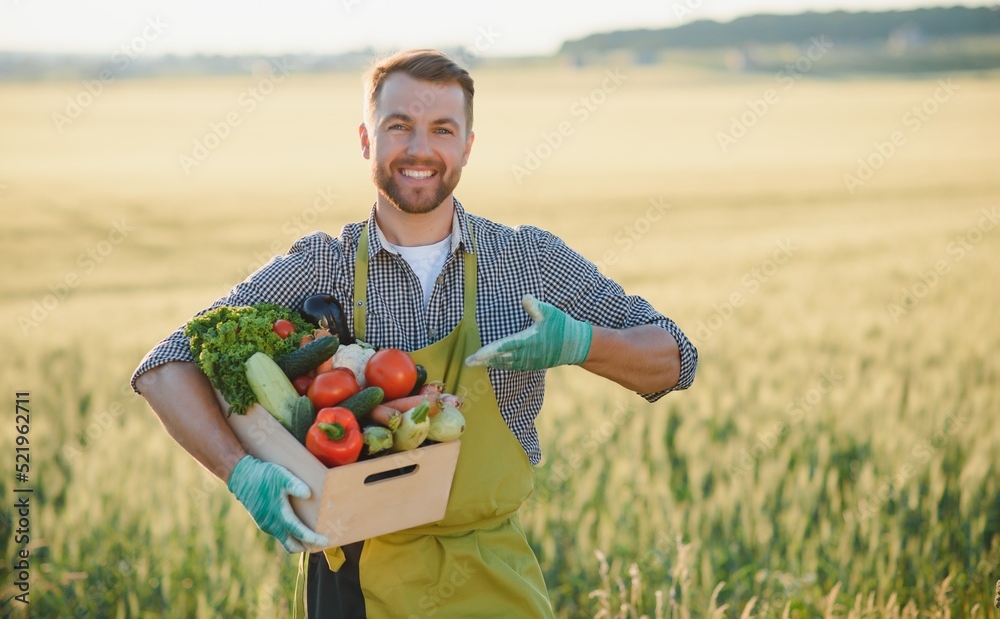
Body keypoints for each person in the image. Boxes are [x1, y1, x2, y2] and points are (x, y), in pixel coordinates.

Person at [132, 48, 698, 618]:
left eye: (443, 129)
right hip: (352, 580)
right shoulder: (319, 267)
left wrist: (583, 343)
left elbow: (676, 358)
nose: (420, 149)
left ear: (468, 146)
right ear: (365, 139)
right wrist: (240, 472)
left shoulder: (528, 261)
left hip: (490, 577)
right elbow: (165, 367)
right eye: (398, 126)